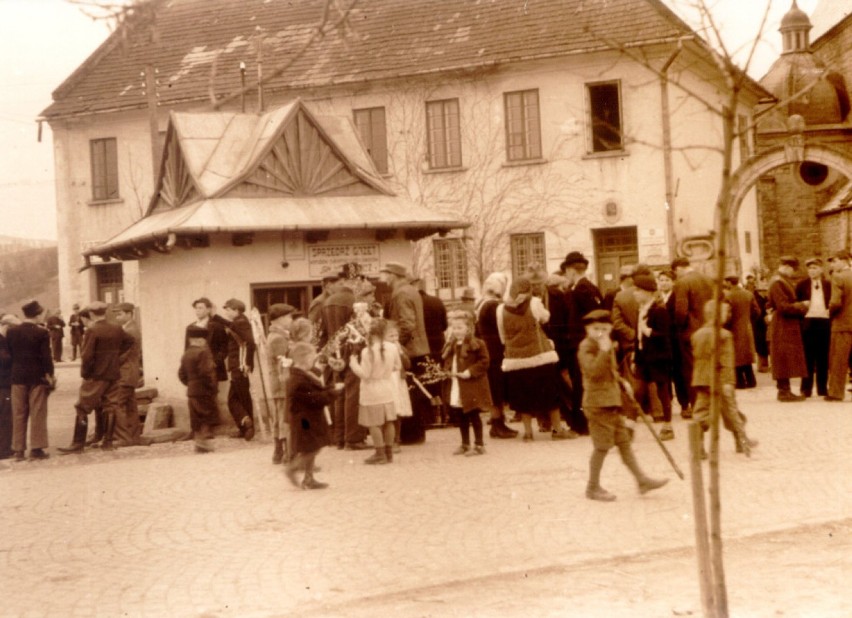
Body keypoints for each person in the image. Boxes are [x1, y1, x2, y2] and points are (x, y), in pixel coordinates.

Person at [578, 309, 668, 502]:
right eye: (596, 329)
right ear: (588, 330)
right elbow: (593, 372)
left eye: (604, 328)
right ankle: (592, 487)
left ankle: (642, 480)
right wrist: (603, 350)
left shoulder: (604, 344)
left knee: (624, 443)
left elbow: (609, 371)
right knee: (601, 447)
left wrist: (621, 381)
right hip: (597, 404)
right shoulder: (587, 347)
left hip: (612, 402)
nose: (601, 332)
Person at [497, 276, 575, 442]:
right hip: (540, 357)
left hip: (515, 360)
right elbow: (545, 318)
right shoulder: (534, 303)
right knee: (551, 396)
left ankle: (528, 433)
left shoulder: (501, 309)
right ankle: (558, 429)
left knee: (523, 398)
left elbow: (502, 337)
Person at [59, 301, 134, 453]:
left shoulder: (92, 330)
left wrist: (85, 374)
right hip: (113, 374)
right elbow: (129, 342)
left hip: (96, 375)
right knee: (110, 406)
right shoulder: (117, 328)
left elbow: (86, 356)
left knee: (82, 407)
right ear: (105, 312)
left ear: (92, 314)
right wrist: (114, 357)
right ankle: (107, 442)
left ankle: (77, 444)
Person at [691, 300, 758, 456]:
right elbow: (727, 360)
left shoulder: (697, 334)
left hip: (701, 379)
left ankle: (698, 447)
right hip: (721, 380)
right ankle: (741, 441)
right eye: (726, 312)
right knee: (731, 412)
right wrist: (729, 382)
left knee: (701, 413)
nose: (729, 315)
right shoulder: (725, 335)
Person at [380, 261, 431, 444]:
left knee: (409, 394)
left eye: (385, 274)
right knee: (415, 392)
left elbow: (407, 323)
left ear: (393, 275)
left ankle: (411, 435)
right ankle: (416, 434)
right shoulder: (410, 290)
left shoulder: (400, 293)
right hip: (418, 349)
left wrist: (395, 345)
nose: (383, 278)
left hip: (409, 351)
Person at [321, 273, 370, 450]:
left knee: (340, 394)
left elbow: (325, 332)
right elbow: (363, 330)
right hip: (353, 351)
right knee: (353, 394)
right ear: (352, 281)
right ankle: (354, 438)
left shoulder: (327, 301)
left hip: (336, 353)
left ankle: (339, 437)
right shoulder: (356, 301)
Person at [284, 342, 342, 490]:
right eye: (312, 358)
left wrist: (331, 388)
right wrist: (334, 392)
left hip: (308, 418)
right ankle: (293, 468)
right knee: (312, 448)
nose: (313, 361)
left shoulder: (300, 375)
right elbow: (315, 398)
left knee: (311, 447)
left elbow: (316, 392)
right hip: (305, 420)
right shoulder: (298, 380)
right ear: (304, 358)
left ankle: (308, 479)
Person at [7, 300, 55, 461]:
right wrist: (50, 374)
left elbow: (10, 354)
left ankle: (18, 450)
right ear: (38, 314)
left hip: (17, 377)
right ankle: (36, 448)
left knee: (19, 413)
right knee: (37, 412)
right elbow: (46, 357)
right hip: (37, 377)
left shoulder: (12, 332)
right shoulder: (42, 332)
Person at [349, 318, 399, 465]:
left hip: (371, 390)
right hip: (387, 387)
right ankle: (389, 452)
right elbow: (397, 366)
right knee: (389, 421)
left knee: (374, 423)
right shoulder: (393, 347)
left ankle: (379, 453)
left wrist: (353, 363)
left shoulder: (367, 351)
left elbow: (365, 374)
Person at [631, 274, 674, 441]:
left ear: (647, 292)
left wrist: (648, 331)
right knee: (637, 390)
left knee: (662, 391)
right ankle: (630, 426)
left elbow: (664, 334)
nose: (634, 293)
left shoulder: (659, 310)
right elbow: (638, 336)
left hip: (659, 357)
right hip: (644, 356)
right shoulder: (641, 309)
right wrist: (636, 354)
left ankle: (668, 425)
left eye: (637, 290)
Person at [443, 310, 491, 456]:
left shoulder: (477, 344)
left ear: (468, 328)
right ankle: (465, 443)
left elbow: (484, 362)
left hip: (471, 385)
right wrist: (447, 370)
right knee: (460, 415)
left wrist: (470, 371)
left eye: (460, 327)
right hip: (457, 384)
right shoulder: (451, 345)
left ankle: (479, 444)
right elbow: (448, 361)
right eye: (454, 327)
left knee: (473, 414)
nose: (456, 331)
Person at [475, 272, 517, 439]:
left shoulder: (481, 303)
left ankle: (498, 422)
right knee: (496, 389)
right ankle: (497, 424)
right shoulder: (493, 306)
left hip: (486, 349)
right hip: (494, 351)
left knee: (494, 388)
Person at [671, 257, 714, 416]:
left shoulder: (682, 282)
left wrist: (678, 327)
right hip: (709, 329)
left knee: (690, 370)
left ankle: (697, 405)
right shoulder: (708, 280)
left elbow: (681, 311)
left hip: (690, 333)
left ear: (678, 269)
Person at [767, 257, 809, 402]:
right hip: (783, 324)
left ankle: (785, 390)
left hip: (786, 324)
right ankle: (784, 391)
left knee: (785, 357)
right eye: (792, 269)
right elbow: (783, 306)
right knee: (783, 357)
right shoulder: (778, 282)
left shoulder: (780, 281)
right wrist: (802, 305)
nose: (793, 273)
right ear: (785, 266)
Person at [266, 303, 300, 464]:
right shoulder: (279, 338)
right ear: (279, 319)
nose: (291, 320)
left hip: (279, 383)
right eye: (289, 317)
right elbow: (283, 363)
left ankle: (278, 452)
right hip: (283, 383)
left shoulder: (277, 336)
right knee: (285, 418)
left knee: (280, 417)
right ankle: (288, 454)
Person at [221, 298, 256, 439]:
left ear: (236, 310)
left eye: (228, 310)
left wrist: (247, 363)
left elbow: (250, 343)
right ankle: (246, 428)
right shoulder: (239, 322)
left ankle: (246, 422)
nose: (227, 313)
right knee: (242, 397)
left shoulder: (240, 322)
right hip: (239, 365)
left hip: (240, 366)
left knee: (233, 400)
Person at [179, 325, 218, 453]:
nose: (205, 342)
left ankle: (199, 444)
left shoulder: (186, 354)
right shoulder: (203, 352)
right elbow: (207, 372)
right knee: (206, 416)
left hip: (191, 391)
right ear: (200, 340)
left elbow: (181, 374)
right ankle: (204, 444)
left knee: (196, 418)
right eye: (204, 339)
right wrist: (212, 387)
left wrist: (191, 384)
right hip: (204, 389)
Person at [795, 258, 831, 397]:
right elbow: (796, 303)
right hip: (808, 323)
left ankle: (822, 388)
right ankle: (806, 389)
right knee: (807, 357)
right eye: (809, 268)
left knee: (823, 357)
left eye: (815, 268)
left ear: (821, 269)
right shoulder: (801, 285)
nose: (812, 271)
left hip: (824, 322)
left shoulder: (828, 284)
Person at [186, 298, 230, 407]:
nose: (197, 310)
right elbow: (187, 349)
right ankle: (201, 421)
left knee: (211, 394)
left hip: (211, 367)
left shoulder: (216, 326)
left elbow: (224, 347)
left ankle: (211, 421)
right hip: (195, 368)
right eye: (196, 308)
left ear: (209, 309)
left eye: (201, 308)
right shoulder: (190, 328)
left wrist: (215, 362)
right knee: (196, 395)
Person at [113, 302, 142, 446]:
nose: (118, 317)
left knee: (117, 403)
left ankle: (124, 438)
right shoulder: (128, 328)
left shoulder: (130, 331)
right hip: (130, 372)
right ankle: (134, 436)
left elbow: (123, 355)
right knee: (130, 406)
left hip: (126, 372)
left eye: (120, 314)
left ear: (129, 314)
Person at [723, 276, 759, 390]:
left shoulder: (727, 296)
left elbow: (726, 315)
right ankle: (751, 380)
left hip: (733, 328)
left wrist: (725, 325)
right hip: (747, 327)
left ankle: (740, 382)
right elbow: (757, 311)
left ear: (729, 283)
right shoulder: (748, 294)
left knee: (736, 356)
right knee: (746, 355)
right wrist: (749, 320)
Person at [826, 250, 852, 401]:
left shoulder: (838, 277)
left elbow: (835, 302)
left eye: (834, 261)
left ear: (844, 260)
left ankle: (836, 392)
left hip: (842, 323)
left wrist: (828, 312)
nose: (832, 264)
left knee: (838, 359)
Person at [384, 320, 412, 452]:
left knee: (397, 409)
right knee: (386, 409)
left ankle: (396, 440)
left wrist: (401, 353)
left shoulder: (400, 348)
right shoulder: (382, 349)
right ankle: (387, 440)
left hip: (397, 380)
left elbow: (407, 365)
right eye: (391, 336)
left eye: (396, 336)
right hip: (386, 380)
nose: (395, 339)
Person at [0, 313, 20, 460]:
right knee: (6, 416)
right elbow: (5, 361)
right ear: (7, 326)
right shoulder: (2, 341)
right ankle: (4, 449)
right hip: (3, 384)